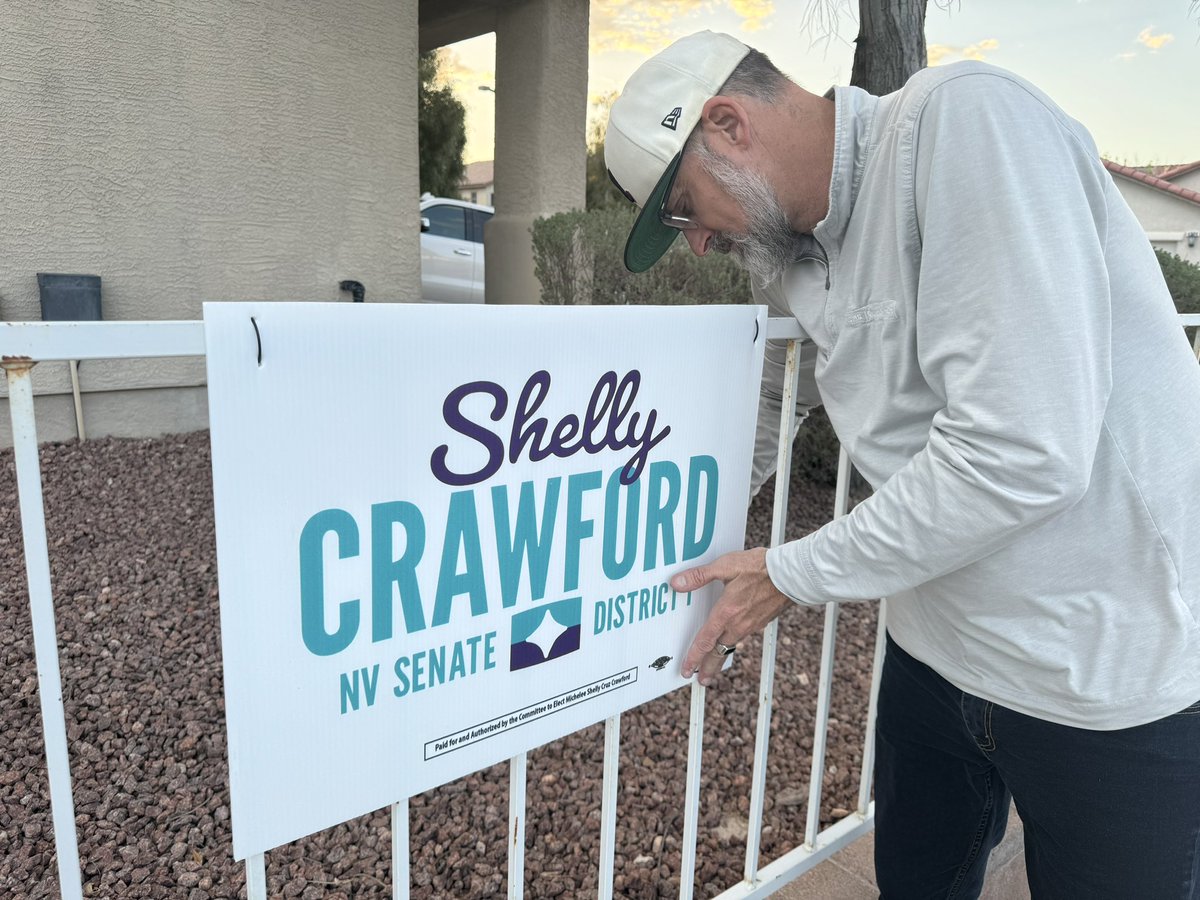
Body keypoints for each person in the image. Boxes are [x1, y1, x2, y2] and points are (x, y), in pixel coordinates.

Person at [604, 30, 1200, 900]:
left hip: (1105, 677)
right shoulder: (791, 250)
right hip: (933, 655)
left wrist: (791, 571)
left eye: (685, 209)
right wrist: (660, 539)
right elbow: (771, 409)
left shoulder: (965, 125)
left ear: (727, 124)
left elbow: (1020, 454)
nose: (696, 245)